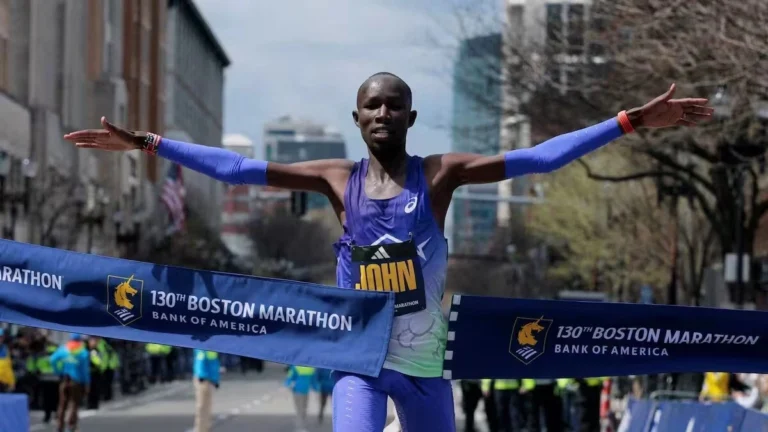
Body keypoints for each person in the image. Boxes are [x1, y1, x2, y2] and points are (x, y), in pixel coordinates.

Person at [64, 74, 713, 431]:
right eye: (371, 105)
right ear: (356, 117)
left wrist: (626, 122)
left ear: (410, 116)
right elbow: (235, 169)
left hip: (426, 367)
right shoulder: (331, 178)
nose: (382, 113)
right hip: (359, 363)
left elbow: (541, 157)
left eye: (394, 105)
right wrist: (151, 144)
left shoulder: (440, 175)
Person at [50, 333, 90, 432]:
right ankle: (71, 426)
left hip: (65, 379)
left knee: (62, 404)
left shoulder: (63, 349)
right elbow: (85, 371)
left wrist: (58, 371)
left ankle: (60, 426)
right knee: (74, 404)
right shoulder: (83, 352)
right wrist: (87, 383)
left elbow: (53, 359)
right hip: (76, 382)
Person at [192, 349, 220, 432]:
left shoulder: (212, 347)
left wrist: (215, 379)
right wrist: (201, 375)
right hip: (203, 379)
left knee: (207, 407)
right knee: (202, 406)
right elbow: (200, 360)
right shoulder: (204, 344)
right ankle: (200, 429)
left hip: (209, 379)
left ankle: (206, 428)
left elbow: (214, 363)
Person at [285, 365, 316, 432]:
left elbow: (290, 377)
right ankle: (302, 426)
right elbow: (313, 380)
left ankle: (300, 427)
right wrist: (316, 388)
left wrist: (287, 384)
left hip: (297, 390)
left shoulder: (295, 367)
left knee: (299, 410)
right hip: (306, 390)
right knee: (304, 409)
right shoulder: (311, 368)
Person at [0, 328, 15, 393]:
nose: (0, 339)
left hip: (4, 384)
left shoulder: (5, 349)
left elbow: (8, 368)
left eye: (1, 337)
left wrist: (12, 382)